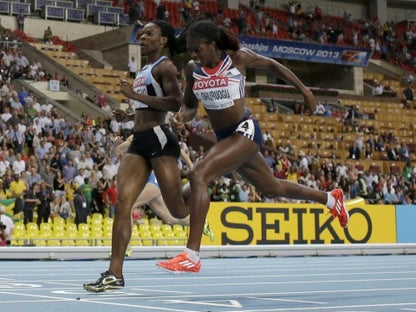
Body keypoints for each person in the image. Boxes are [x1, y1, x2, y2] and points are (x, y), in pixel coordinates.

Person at [156, 19, 349, 273]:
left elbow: (272, 64)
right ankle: (330, 199)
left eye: (197, 49)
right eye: (190, 50)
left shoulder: (238, 59)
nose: (193, 54)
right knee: (271, 188)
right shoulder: (194, 69)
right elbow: (191, 105)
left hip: (245, 131)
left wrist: (305, 91)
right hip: (226, 140)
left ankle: (192, 255)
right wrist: (183, 116)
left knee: (198, 175)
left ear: (212, 44)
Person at [83, 20, 190, 292]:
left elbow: (175, 103)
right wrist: (129, 114)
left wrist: (132, 94)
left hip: (159, 137)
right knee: (122, 205)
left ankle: (200, 185)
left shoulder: (166, 66)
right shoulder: (144, 70)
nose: (143, 36)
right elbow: (147, 105)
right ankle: (114, 273)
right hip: (139, 140)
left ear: (163, 40)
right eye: (141, 33)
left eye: (150, 33)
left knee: (177, 210)